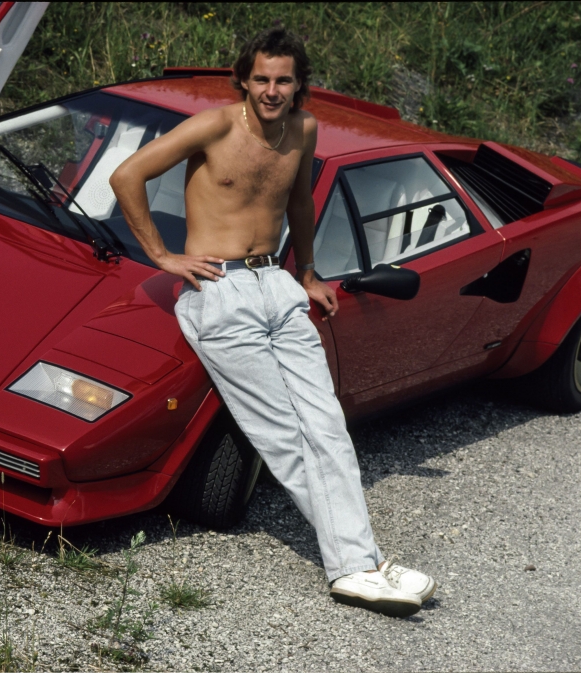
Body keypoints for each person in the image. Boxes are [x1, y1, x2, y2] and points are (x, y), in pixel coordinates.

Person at [109, 27, 436, 618]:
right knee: (284, 435)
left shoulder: (303, 130)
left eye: (283, 79)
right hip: (220, 289)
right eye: (261, 78)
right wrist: (162, 256)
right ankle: (356, 565)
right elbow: (127, 176)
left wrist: (308, 272)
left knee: (327, 424)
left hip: (277, 286)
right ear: (244, 78)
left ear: (299, 84)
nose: (271, 90)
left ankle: (359, 561)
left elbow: (300, 203)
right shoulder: (213, 126)